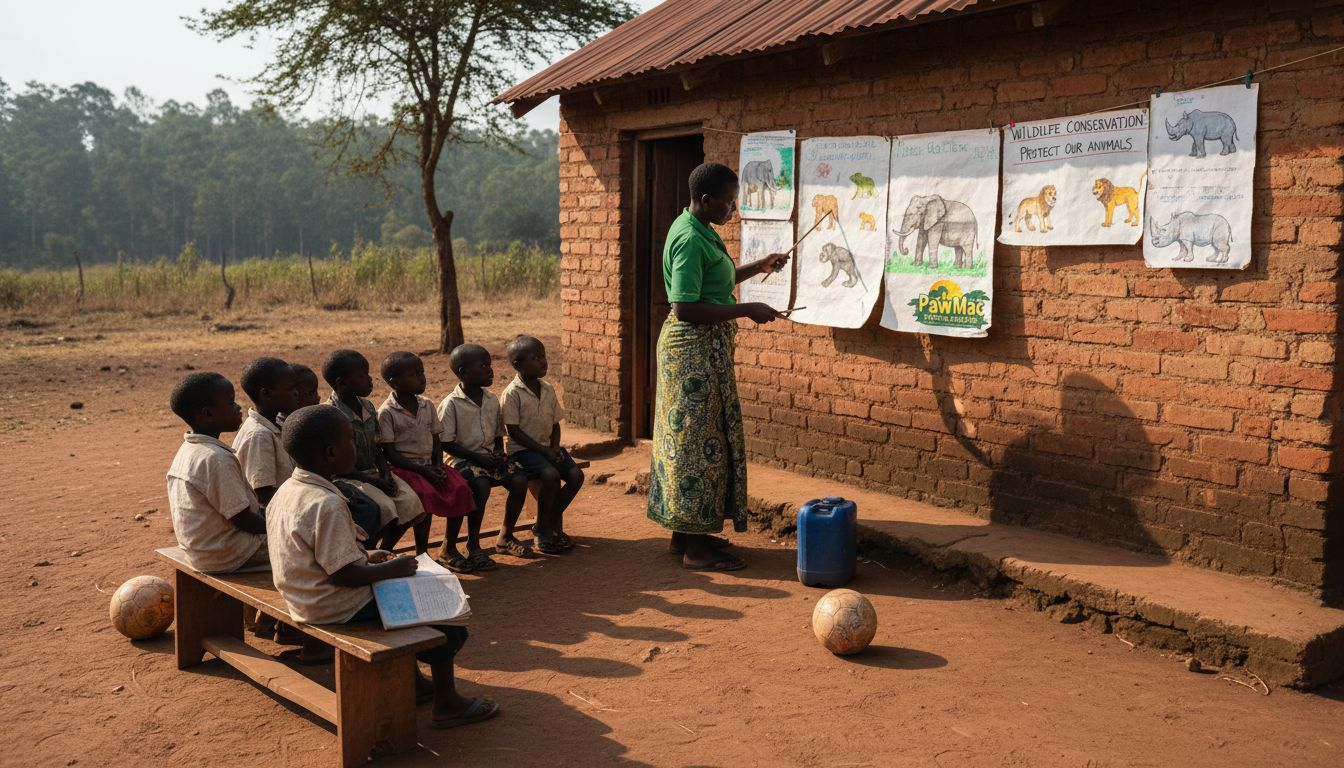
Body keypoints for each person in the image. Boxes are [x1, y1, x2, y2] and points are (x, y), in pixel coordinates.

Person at [267, 405, 499, 728]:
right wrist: (394, 569)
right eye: (350, 440)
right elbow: (346, 575)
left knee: (416, 596)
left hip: (304, 594)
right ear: (332, 453)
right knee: (447, 619)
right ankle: (447, 704)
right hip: (333, 604)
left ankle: (416, 684)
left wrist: (368, 557)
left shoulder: (290, 491)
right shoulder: (327, 503)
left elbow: (325, 555)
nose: (356, 447)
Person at [648, 161, 789, 571]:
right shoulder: (690, 239)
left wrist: (757, 266)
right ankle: (696, 550)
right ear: (706, 200)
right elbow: (685, 306)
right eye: (728, 203)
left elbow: (714, 282)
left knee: (698, 439)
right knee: (696, 443)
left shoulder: (700, 228)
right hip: (692, 353)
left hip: (703, 350)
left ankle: (686, 533)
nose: (733, 210)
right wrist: (747, 308)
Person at [322, 349, 427, 550]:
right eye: (362, 376)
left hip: (375, 472)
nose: (370, 380)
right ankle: (365, 553)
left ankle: (384, 551)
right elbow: (337, 464)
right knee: (385, 509)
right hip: (349, 477)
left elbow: (378, 446)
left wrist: (385, 473)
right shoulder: (332, 415)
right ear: (342, 383)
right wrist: (374, 481)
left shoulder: (368, 407)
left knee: (412, 504)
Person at [165, 372, 268, 573]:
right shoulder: (216, 458)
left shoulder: (188, 450)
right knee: (303, 549)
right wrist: (279, 527)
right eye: (231, 402)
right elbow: (243, 519)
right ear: (207, 413)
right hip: (230, 554)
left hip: (202, 552)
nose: (238, 406)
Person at [439, 343, 530, 567]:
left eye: (489, 365)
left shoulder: (490, 399)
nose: (490, 370)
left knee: (519, 478)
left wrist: (498, 450)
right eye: (483, 366)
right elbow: (446, 443)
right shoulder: (451, 404)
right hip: (460, 460)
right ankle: (473, 544)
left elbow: (498, 433)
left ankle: (505, 536)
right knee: (479, 485)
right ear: (463, 372)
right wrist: (478, 457)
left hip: (488, 457)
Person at [377, 351, 475, 558]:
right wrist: (425, 471)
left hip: (430, 465)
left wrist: (437, 465)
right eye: (414, 374)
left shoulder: (426, 404)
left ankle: (449, 546)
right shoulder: (387, 412)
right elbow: (391, 454)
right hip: (405, 469)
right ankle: (422, 552)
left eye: (422, 372)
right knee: (425, 496)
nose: (422, 378)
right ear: (394, 382)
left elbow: (436, 439)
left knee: (460, 488)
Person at [501, 335, 583, 555]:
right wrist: (545, 451)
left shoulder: (547, 388)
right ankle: (546, 530)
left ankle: (544, 524)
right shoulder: (512, 394)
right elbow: (514, 431)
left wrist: (554, 448)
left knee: (576, 476)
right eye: (535, 358)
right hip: (524, 452)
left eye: (543, 356)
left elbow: (555, 423)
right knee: (550, 475)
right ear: (518, 365)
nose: (543, 362)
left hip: (548, 447)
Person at [233, 357, 300, 506]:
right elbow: (263, 494)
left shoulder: (275, 424)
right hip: (277, 512)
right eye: (290, 388)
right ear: (267, 394)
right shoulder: (259, 435)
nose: (297, 393)